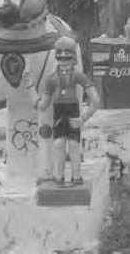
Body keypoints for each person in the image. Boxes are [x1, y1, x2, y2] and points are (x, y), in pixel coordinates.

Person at [32, 37, 100, 186]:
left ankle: (77, 177)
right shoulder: (51, 79)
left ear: (73, 57)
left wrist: (84, 118)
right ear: (56, 56)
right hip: (59, 112)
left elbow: (95, 100)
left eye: (67, 54)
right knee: (58, 144)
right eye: (60, 54)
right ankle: (59, 177)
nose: (63, 58)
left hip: (73, 111)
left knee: (74, 145)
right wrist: (30, 89)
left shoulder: (78, 76)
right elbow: (43, 105)